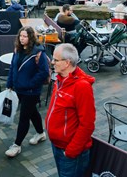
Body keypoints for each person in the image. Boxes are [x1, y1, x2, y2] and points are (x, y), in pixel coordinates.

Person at [46, 43, 96, 176]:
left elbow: (87, 124)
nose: (52, 62)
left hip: (70, 152)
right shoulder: (60, 79)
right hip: (57, 146)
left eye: (56, 60)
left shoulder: (82, 87)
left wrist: (71, 151)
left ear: (67, 62)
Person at [5, 26, 50, 158]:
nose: (22, 38)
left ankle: (16, 145)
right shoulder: (17, 50)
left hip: (31, 91)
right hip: (19, 89)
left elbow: (44, 72)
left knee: (24, 117)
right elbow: (13, 67)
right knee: (32, 112)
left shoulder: (38, 53)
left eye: (25, 36)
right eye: (20, 36)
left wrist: (29, 84)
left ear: (30, 37)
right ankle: (41, 133)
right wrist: (10, 84)